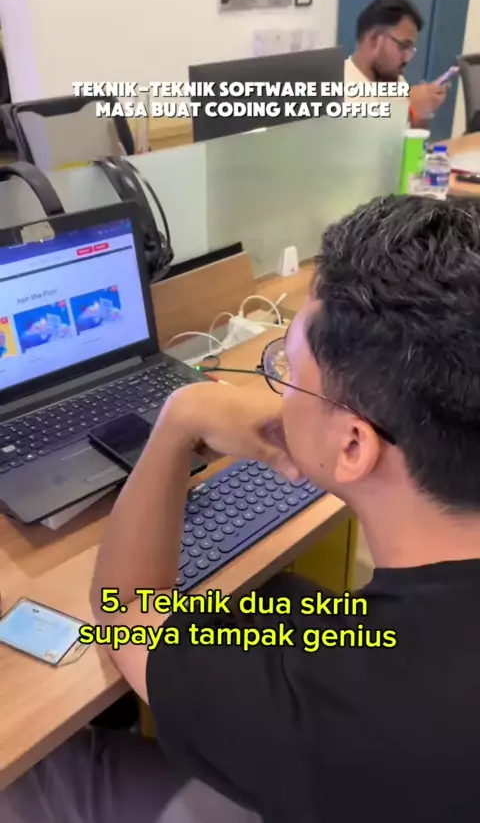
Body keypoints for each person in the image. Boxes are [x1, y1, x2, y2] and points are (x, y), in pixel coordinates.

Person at [3, 194, 480, 821]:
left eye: (289, 370)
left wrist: (180, 420)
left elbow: (125, 614)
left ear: (354, 445)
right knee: (278, 595)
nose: (278, 390)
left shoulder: (333, 705)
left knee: (34, 775)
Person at [346, 0, 450, 125]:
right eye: (403, 46)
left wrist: (424, 110)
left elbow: (412, 134)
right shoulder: (337, 89)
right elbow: (365, 134)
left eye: (410, 49)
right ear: (374, 40)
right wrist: (409, 109)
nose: (407, 58)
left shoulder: (394, 79)